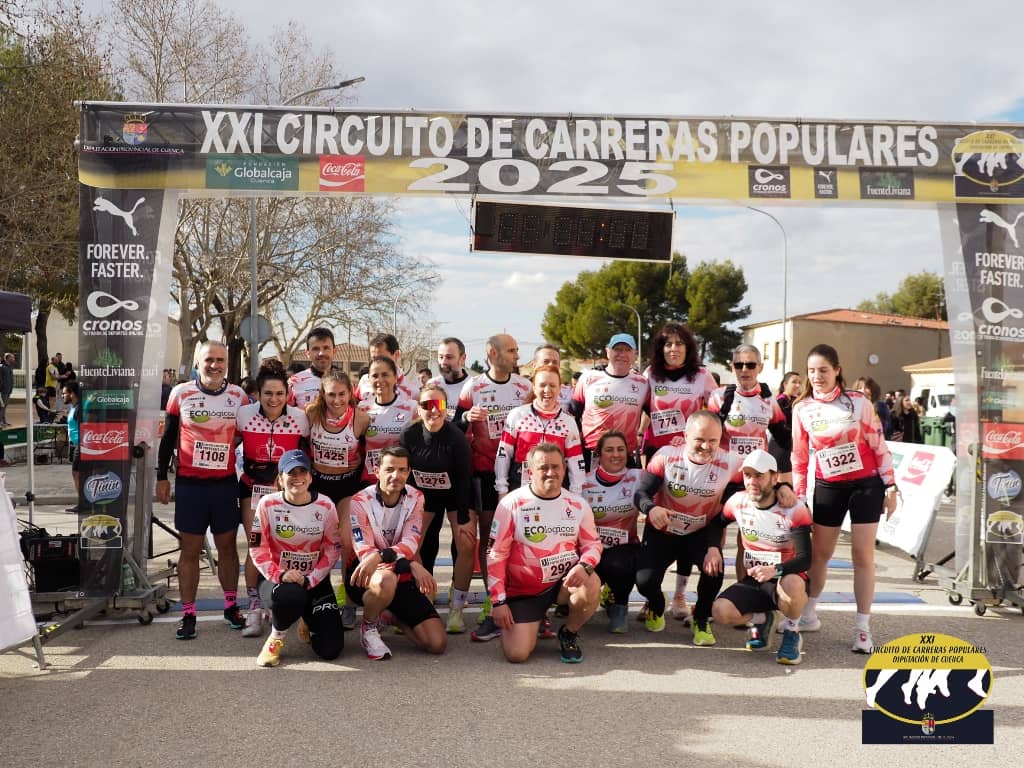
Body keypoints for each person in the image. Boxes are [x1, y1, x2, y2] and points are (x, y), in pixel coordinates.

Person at [792, 344, 897, 653]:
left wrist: (891, 486)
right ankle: (809, 613)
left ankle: (862, 628)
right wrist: (800, 496)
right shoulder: (802, 408)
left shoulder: (858, 402)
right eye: (812, 371)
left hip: (866, 485)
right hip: (829, 486)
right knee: (820, 554)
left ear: (837, 370)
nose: (817, 376)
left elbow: (879, 445)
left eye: (823, 370)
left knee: (862, 555)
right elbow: (799, 458)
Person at [157, 340, 249, 640]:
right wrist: (161, 476)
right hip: (190, 485)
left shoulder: (238, 396)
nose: (215, 365)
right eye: (209, 359)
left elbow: (247, 435)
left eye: (220, 360)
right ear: (198, 363)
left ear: (227, 364)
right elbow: (168, 437)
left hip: (224, 484)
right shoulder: (181, 392)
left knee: (227, 548)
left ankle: (231, 607)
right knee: (190, 550)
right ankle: (188, 613)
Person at [634, 411, 743, 646]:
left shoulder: (732, 463)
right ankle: (657, 605)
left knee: (714, 569)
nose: (706, 446)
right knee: (644, 582)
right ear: (685, 436)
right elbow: (641, 493)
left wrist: (714, 545)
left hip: (700, 533)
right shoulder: (666, 456)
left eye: (713, 440)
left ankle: (701, 618)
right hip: (663, 531)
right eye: (699, 439)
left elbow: (761, 481)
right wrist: (651, 509)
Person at [487, 442, 602, 663]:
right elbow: (495, 555)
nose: (551, 472)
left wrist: (584, 565)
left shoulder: (578, 504)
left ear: (564, 469)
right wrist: (498, 602)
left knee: (591, 583)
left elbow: (593, 545)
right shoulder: (511, 504)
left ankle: (569, 633)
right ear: (530, 472)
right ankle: (534, 620)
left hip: (562, 584)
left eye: (556, 467)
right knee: (517, 654)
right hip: (524, 591)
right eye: (543, 467)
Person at [456, 333, 531, 641]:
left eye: (517, 350)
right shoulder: (473, 386)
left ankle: (522, 599)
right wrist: (466, 416)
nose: (517, 355)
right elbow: (455, 424)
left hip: (518, 473)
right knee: (491, 537)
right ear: (492, 353)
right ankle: (492, 600)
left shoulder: (525, 387)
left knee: (521, 539)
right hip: (485, 473)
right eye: (511, 350)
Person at [641, 323, 718, 621]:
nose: (673, 349)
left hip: (692, 456)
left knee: (688, 518)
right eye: (667, 344)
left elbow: (717, 412)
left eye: (679, 343)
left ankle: (680, 594)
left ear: (688, 347)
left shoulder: (701, 376)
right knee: (660, 523)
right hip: (658, 457)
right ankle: (652, 596)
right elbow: (642, 410)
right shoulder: (651, 374)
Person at [708, 450, 813, 665]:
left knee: (793, 584)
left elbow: (805, 558)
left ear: (774, 478)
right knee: (720, 611)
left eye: (759, 475)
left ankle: (792, 631)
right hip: (755, 580)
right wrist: (712, 548)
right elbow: (716, 524)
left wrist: (776, 569)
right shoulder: (738, 501)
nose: (752, 481)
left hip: (786, 577)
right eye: (747, 475)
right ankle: (765, 619)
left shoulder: (794, 508)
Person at [346, 446, 447, 660]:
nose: (396, 475)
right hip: (365, 576)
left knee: (436, 643)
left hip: (400, 572)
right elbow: (365, 552)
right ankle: (369, 628)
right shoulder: (359, 501)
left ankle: (390, 615)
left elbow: (410, 543)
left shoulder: (416, 497)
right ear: (377, 471)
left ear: (409, 472)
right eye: (389, 469)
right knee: (385, 580)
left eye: (402, 470)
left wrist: (394, 559)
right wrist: (407, 563)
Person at [235, 359, 310, 637]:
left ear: (288, 394)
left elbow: (308, 454)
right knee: (256, 547)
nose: (274, 399)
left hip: (285, 491)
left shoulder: (299, 418)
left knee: (284, 547)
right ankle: (254, 608)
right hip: (252, 489)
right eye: (268, 393)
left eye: (280, 393)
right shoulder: (244, 414)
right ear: (258, 393)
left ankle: (275, 601)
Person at [249, 449, 344, 667]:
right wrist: (280, 574)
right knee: (291, 596)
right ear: (281, 479)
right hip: (277, 581)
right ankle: (276, 638)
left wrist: (311, 579)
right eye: (291, 473)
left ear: (310, 477)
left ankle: (306, 618)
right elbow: (257, 548)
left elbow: (333, 548)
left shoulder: (326, 505)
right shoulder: (267, 504)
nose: (297, 478)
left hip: (313, 580)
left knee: (330, 650)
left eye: (303, 472)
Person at [707, 344, 791, 580]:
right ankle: (713, 590)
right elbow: (707, 434)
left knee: (748, 539)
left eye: (750, 365)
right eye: (739, 365)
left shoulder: (768, 399)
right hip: (724, 476)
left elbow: (784, 440)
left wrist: (782, 480)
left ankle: (744, 588)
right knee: (715, 539)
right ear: (732, 367)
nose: (744, 369)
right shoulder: (719, 396)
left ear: (760, 368)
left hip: (755, 479)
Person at [399, 383, 475, 633]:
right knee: (411, 545)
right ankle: (423, 599)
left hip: (455, 495)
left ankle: (457, 606)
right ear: (419, 409)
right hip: (424, 497)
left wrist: (462, 519)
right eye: (427, 405)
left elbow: (464, 480)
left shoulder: (456, 438)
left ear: (446, 408)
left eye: (438, 404)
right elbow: (405, 477)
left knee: (466, 543)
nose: (433, 410)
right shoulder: (409, 435)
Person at [305, 369, 367, 629]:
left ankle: (349, 602)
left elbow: (372, 450)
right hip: (318, 485)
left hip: (347, 486)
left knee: (346, 542)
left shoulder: (361, 418)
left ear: (350, 393)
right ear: (323, 394)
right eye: (331, 395)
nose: (337, 400)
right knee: (315, 543)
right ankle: (316, 597)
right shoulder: (312, 414)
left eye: (342, 394)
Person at [580, 430, 642, 633]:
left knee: (618, 564)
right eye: (609, 450)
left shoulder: (638, 477)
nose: (616, 454)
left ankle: (620, 606)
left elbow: (666, 472)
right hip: (590, 549)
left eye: (620, 449)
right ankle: (579, 602)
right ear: (599, 454)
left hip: (624, 548)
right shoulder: (584, 483)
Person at [494, 364, 586, 497]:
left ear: (559, 388)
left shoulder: (568, 422)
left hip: (554, 492)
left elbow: (575, 462)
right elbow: (504, 455)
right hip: (520, 490)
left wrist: (575, 495)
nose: (547, 390)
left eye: (552, 385)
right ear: (534, 387)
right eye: (542, 385)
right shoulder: (517, 415)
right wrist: (502, 490)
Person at [572, 333, 649, 469]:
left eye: (627, 350)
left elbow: (653, 412)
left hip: (624, 455)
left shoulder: (642, 383)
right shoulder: (588, 378)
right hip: (591, 454)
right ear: (608, 352)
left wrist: (641, 433)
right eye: (617, 349)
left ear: (635, 355)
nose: (622, 354)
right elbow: (573, 412)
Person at [356, 356, 417, 483]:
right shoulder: (362, 408)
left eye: (385, 375)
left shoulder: (411, 408)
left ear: (395, 378)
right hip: (371, 479)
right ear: (369, 379)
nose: (380, 380)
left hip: (399, 481)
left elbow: (438, 406)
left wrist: (443, 406)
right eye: (375, 376)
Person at [356, 333, 418, 401]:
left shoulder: (412, 392)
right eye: (374, 359)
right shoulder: (364, 381)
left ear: (396, 355)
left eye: (382, 358)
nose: (378, 363)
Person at [287, 327, 337, 409]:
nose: (321, 353)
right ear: (308, 353)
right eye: (316, 349)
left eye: (326, 348)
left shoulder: (345, 382)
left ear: (334, 351)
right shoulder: (294, 382)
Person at [768, 371, 802, 481]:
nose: (798, 385)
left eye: (799, 382)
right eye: (794, 382)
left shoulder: (791, 401)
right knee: (783, 484)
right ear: (785, 384)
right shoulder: (781, 401)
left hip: (787, 446)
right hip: (780, 447)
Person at [429, 337, 470, 421]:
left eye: (449, 357)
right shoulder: (432, 385)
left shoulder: (473, 386)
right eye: (441, 357)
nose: (443, 362)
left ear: (462, 358)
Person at [61, 382, 82, 514]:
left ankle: (83, 503)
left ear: (72, 394)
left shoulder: (79, 408)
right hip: (76, 444)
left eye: (64, 393)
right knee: (77, 474)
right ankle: (83, 501)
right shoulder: (74, 407)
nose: (62, 396)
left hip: (81, 444)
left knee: (77, 473)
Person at [532, 344, 574, 409]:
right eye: (546, 361)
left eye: (555, 362)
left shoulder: (569, 393)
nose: (551, 365)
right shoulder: (522, 389)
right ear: (534, 365)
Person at [0, 352, 14, 427]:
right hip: (3, 390)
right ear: (8, 358)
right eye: (12, 357)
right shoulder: (2, 367)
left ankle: (3, 420)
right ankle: (1, 421)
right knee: (2, 406)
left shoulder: (9, 367)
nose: (14, 359)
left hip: (8, 390)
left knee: (4, 406)